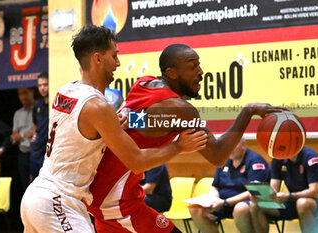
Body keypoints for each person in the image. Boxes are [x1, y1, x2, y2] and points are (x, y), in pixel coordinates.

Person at [20, 25, 207, 233]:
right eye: (114, 56)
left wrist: (125, 120)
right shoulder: (98, 106)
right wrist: (178, 146)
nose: (118, 63)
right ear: (98, 59)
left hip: (36, 195)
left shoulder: (65, 91)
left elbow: (90, 128)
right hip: (59, 202)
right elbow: (136, 161)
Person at [85, 43, 284, 233]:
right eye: (192, 66)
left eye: (198, 64)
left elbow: (149, 121)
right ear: (171, 73)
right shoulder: (181, 111)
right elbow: (217, 155)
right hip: (115, 199)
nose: (201, 72)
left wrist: (129, 116)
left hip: (105, 191)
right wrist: (247, 112)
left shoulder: (144, 83)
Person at [235, 146, 318, 233]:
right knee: (255, 205)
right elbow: (274, 190)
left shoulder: (311, 157)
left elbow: (314, 192)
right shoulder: (278, 158)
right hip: (293, 201)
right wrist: (263, 195)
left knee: (302, 203)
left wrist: (288, 196)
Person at [189, 140, 270, 233]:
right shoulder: (224, 160)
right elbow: (215, 186)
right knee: (195, 208)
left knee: (240, 209)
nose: (228, 150)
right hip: (223, 202)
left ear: (243, 145)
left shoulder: (255, 161)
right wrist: (213, 200)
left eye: (232, 146)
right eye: (226, 147)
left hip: (244, 202)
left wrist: (225, 202)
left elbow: (255, 191)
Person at [12, 87, 35, 191]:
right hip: (23, 153)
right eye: (20, 94)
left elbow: (36, 132)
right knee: (25, 186)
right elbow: (15, 134)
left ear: (32, 92)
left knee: (37, 185)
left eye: (25, 93)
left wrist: (31, 133)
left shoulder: (39, 109)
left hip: (36, 152)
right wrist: (24, 134)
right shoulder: (18, 113)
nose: (23, 97)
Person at [31, 71, 49, 180]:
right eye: (40, 85)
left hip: (48, 151)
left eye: (45, 85)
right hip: (36, 150)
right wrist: (34, 134)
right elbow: (34, 122)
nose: (42, 88)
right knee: (33, 182)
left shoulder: (55, 103)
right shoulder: (37, 104)